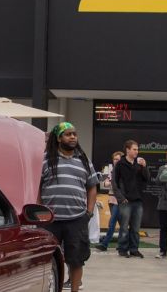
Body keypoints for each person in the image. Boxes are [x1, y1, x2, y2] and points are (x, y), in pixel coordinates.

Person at [39, 122, 99, 292]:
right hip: (50, 220)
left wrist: (89, 212)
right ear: (58, 138)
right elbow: (37, 186)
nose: (73, 137)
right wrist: (38, 211)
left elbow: (92, 186)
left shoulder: (84, 160)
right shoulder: (46, 159)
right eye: (68, 134)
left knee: (76, 260)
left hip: (77, 219)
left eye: (74, 134)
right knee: (47, 259)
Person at [113, 139, 150, 258]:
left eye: (137, 149)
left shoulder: (138, 164)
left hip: (137, 200)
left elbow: (146, 178)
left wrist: (144, 167)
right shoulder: (120, 164)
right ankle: (122, 249)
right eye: (134, 149)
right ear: (127, 150)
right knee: (124, 226)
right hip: (125, 200)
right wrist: (121, 198)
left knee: (136, 227)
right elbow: (114, 182)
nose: (136, 151)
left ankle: (134, 249)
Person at [96, 151, 123, 251]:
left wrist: (110, 181)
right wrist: (108, 180)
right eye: (115, 159)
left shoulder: (123, 170)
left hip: (119, 200)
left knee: (112, 222)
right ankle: (122, 244)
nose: (116, 161)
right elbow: (103, 184)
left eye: (118, 159)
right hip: (111, 199)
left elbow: (116, 184)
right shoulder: (109, 169)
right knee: (120, 222)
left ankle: (105, 244)